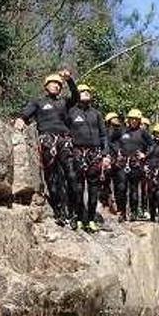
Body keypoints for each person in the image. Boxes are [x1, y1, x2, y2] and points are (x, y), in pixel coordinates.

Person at [14, 70, 79, 226]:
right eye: (53, 83)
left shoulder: (64, 102)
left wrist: (69, 80)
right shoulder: (38, 102)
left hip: (64, 139)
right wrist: (21, 119)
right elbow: (26, 113)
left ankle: (73, 212)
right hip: (47, 140)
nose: (56, 86)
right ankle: (59, 211)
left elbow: (76, 97)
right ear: (46, 86)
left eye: (58, 84)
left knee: (71, 175)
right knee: (52, 177)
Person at [67, 84, 110, 232]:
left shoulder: (96, 114)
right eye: (81, 92)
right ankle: (79, 218)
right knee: (78, 188)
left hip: (94, 154)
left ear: (91, 95)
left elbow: (104, 135)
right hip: (77, 153)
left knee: (93, 190)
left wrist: (106, 155)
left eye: (87, 92)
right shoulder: (71, 112)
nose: (85, 93)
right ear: (77, 95)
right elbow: (64, 131)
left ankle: (91, 219)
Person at [112, 108, 154, 222]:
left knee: (134, 190)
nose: (134, 121)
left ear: (139, 120)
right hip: (123, 163)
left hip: (136, 165)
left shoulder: (143, 133)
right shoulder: (122, 131)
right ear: (128, 120)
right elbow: (110, 140)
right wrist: (117, 151)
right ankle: (122, 212)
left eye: (136, 119)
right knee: (121, 188)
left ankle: (134, 212)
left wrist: (145, 155)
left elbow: (152, 145)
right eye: (132, 119)